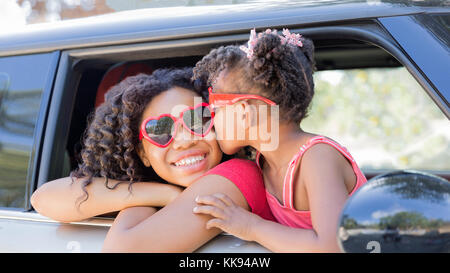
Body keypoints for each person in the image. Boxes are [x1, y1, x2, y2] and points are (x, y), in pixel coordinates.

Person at [31, 68, 274, 252]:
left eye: (197, 120)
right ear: (143, 153)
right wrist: (163, 194)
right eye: (160, 129)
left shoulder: (237, 177)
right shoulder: (163, 191)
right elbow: (43, 198)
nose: (184, 141)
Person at [191, 28, 367, 252]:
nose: (211, 119)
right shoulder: (263, 162)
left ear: (244, 112)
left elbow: (332, 246)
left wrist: (251, 227)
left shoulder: (317, 158)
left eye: (215, 107)